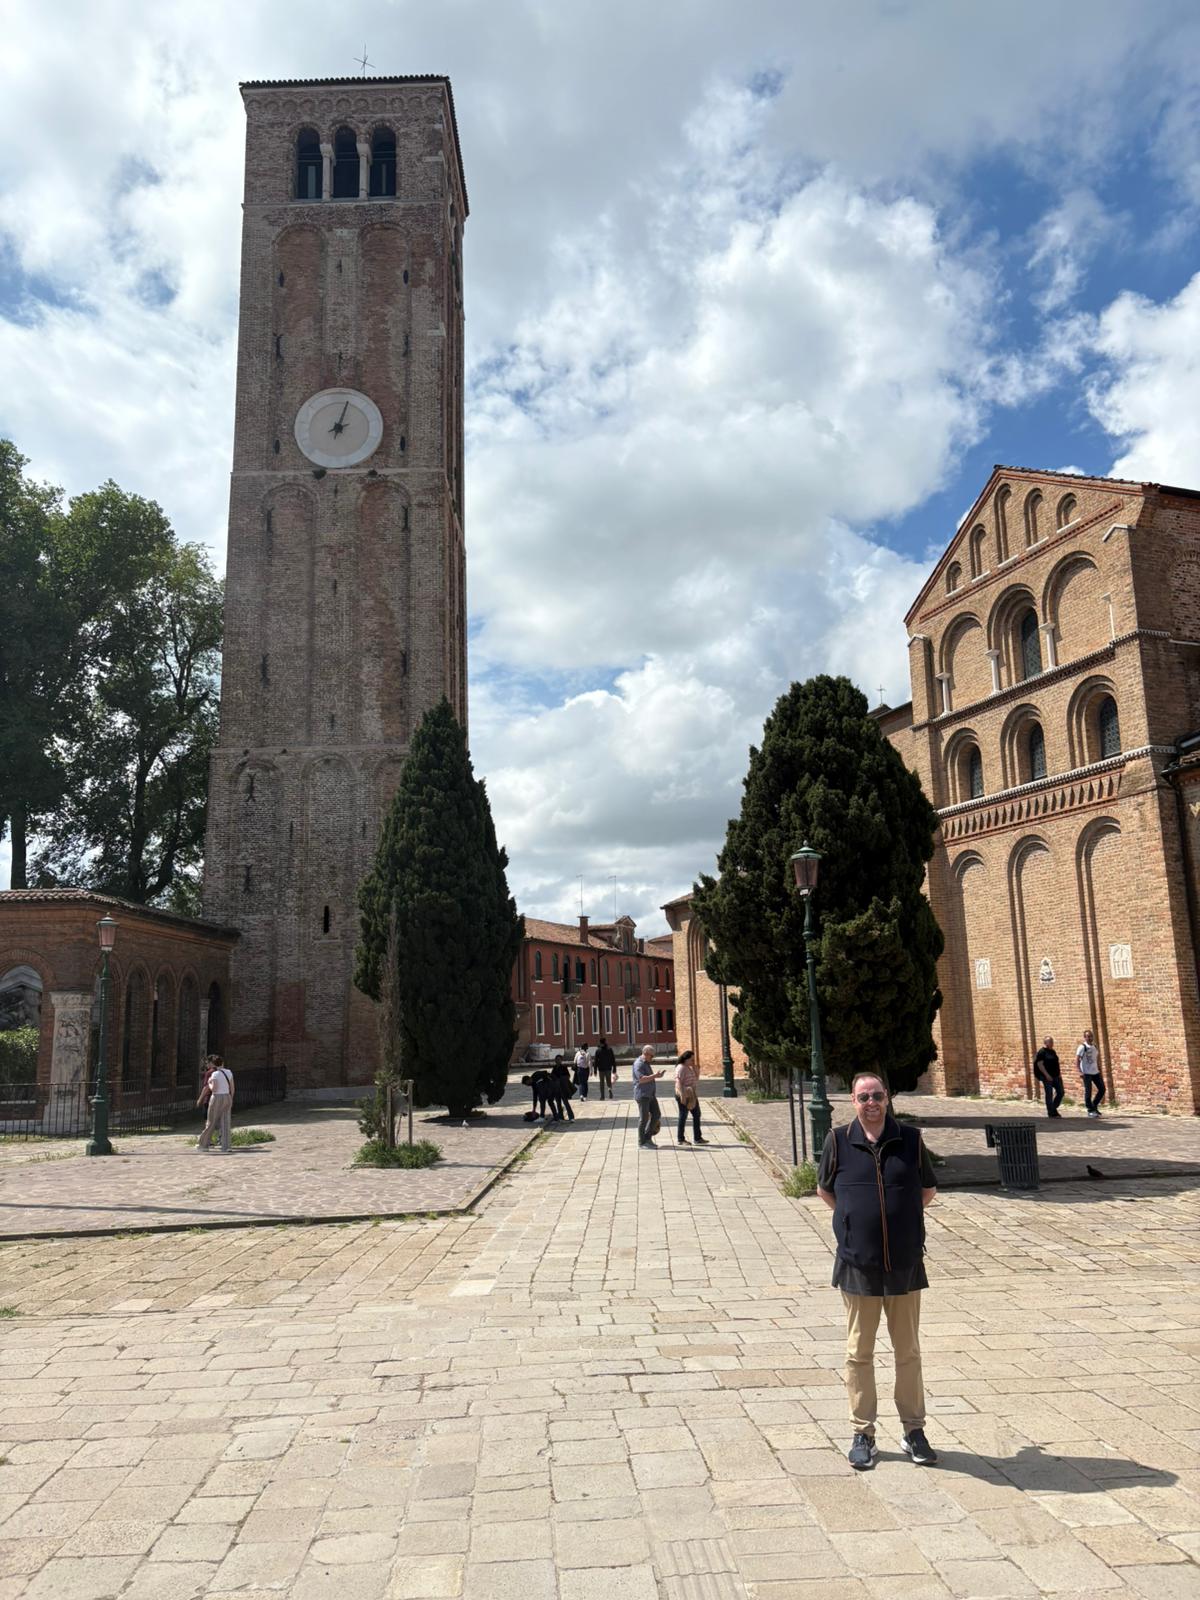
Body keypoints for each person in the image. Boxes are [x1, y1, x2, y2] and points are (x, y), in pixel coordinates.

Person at [816, 1070, 938, 1472]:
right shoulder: (838, 1140)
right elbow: (825, 1190)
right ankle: (862, 1432)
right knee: (858, 1352)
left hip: (903, 1263)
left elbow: (927, 1191)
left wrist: (898, 1221)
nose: (871, 1103)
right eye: (863, 1097)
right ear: (852, 1101)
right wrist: (853, 1221)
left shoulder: (910, 1140)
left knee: (909, 1351)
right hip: (858, 1264)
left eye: (877, 1096)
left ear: (888, 1098)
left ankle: (913, 1429)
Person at [197, 1055, 235, 1153]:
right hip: (227, 1096)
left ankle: (204, 1144)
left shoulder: (215, 1074)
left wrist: (210, 1082)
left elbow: (214, 1088)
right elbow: (232, 1088)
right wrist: (231, 1098)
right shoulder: (229, 1072)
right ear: (222, 1063)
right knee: (225, 1122)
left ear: (214, 1064)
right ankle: (226, 1146)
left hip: (217, 1097)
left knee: (211, 1121)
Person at [674, 1050, 708, 1145]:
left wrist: (695, 1068)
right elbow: (678, 1082)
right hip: (684, 1094)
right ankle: (680, 1139)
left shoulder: (688, 1067)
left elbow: (696, 1078)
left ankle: (697, 1138)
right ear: (686, 1059)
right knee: (683, 1116)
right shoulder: (681, 1068)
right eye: (691, 1060)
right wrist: (682, 1096)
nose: (693, 1061)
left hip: (691, 1094)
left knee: (697, 1114)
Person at [632, 1045, 663, 1147]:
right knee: (644, 1118)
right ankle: (642, 1142)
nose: (652, 1058)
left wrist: (657, 1076)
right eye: (651, 1056)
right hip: (642, 1095)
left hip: (650, 1094)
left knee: (656, 1114)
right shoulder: (639, 1064)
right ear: (645, 1053)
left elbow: (649, 1078)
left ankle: (647, 1137)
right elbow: (641, 1079)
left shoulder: (646, 1063)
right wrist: (655, 1076)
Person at [1032, 1036, 1063, 1118]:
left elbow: (1056, 1063)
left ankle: (1053, 1108)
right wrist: (1047, 1075)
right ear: (1045, 1043)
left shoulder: (1052, 1051)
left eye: (1052, 1041)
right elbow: (1040, 1064)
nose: (1052, 1043)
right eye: (1050, 1042)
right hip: (1047, 1077)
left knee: (1061, 1092)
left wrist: (1059, 1074)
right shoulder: (1042, 1052)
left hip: (1056, 1076)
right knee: (1049, 1094)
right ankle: (1051, 1113)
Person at [1076, 1028, 1105, 1117]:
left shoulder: (1094, 1046)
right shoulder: (1082, 1047)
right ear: (1084, 1037)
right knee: (1088, 1091)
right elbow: (1077, 1060)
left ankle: (1094, 1105)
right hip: (1086, 1073)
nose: (1090, 1038)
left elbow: (1096, 1059)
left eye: (1091, 1036)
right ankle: (1090, 1110)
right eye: (1088, 1037)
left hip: (1095, 1072)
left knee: (1102, 1089)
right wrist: (1080, 1071)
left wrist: (1099, 1069)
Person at [549, 1056, 576, 1121]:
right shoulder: (554, 1068)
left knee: (565, 1102)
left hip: (563, 1088)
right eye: (556, 1060)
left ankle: (571, 1117)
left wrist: (561, 1078)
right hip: (556, 1088)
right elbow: (552, 1077)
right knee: (558, 1103)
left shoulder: (564, 1068)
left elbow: (568, 1076)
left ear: (561, 1060)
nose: (557, 1061)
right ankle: (561, 1116)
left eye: (559, 1059)